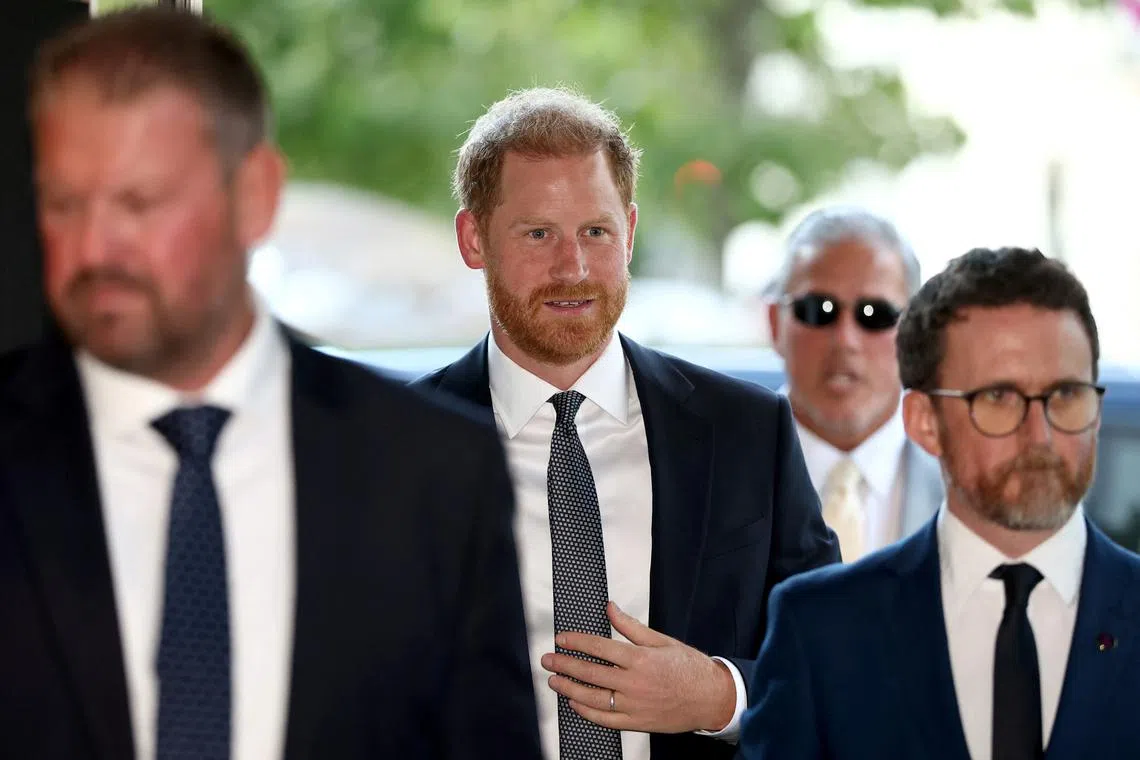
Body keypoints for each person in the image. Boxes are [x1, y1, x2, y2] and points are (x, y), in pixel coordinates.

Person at [0, 9, 540, 760]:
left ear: (254, 194)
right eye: (64, 203)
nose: (94, 247)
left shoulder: (434, 475)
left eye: (138, 203)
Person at [412, 86, 839, 760]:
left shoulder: (749, 434)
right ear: (474, 239)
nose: (572, 267)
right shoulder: (391, 452)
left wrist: (719, 696)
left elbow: (839, 666)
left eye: (596, 232)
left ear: (631, 233)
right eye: (538, 233)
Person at [738, 247, 1140, 759]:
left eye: (1064, 394)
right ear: (925, 421)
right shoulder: (821, 629)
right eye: (998, 397)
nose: (1039, 434)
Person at [767, 206, 943, 562]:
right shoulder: (707, 478)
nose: (845, 339)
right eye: (819, 310)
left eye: (875, 314)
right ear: (775, 324)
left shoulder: (972, 485)